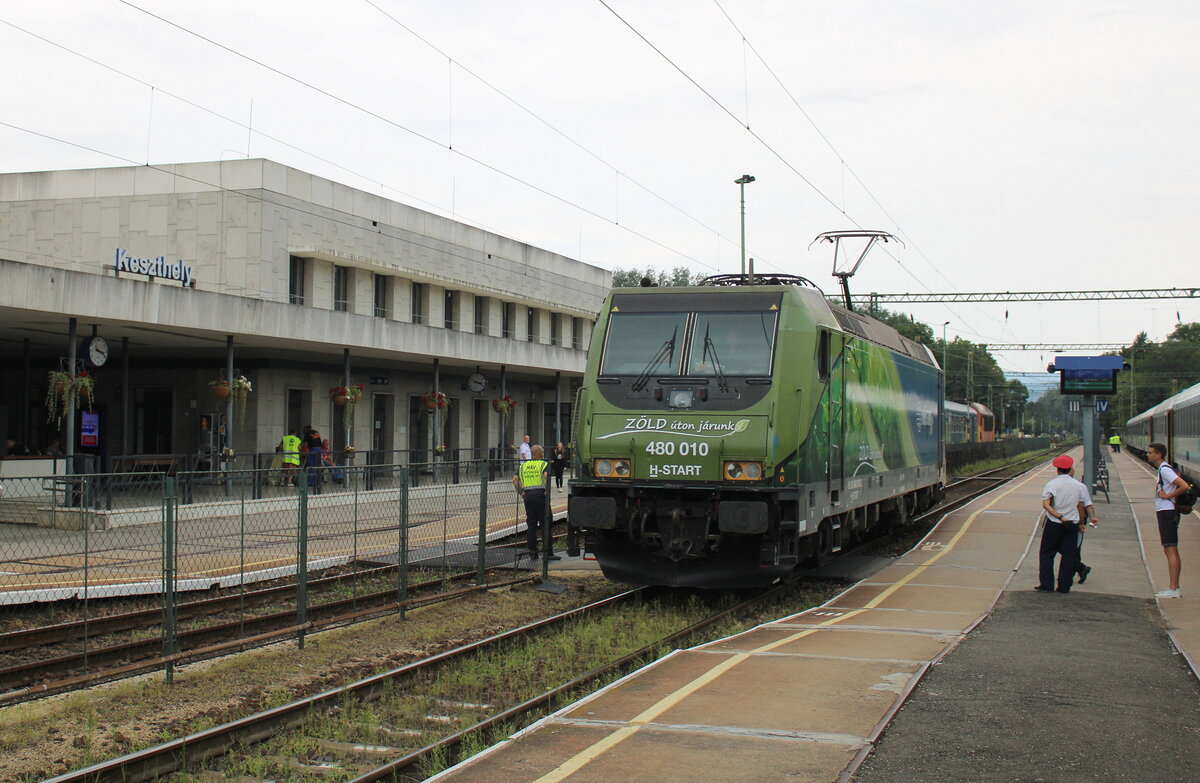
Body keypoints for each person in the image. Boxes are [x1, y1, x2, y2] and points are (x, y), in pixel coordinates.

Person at [1037, 454, 1087, 593]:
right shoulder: (1079, 486)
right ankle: (1064, 586)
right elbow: (1080, 507)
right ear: (1070, 469)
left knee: (1047, 553)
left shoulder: (1052, 484)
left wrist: (1059, 516)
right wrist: (1081, 523)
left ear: (1057, 470)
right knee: (1068, 554)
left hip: (1054, 523)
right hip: (1072, 523)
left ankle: (1047, 585)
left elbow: (1046, 505)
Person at [1148, 442, 1188, 598]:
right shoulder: (1163, 469)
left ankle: (1173, 589)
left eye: (1150, 452)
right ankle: (1174, 587)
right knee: (1170, 549)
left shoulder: (1164, 470)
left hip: (1168, 511)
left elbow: (1184, 486)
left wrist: (1167, 496)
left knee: (1171, 549)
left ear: (1158, 455)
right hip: (1166, 511)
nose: (1148, 455)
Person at [514, 444, 556, 558]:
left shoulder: (523, 466)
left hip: (528, 497)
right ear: (540, 453)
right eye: (542, 451)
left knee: (531, 525)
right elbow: (546, 476)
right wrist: (546, 489)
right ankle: (548, 553)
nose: (543, 453)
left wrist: (521, 492)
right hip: (540, 496)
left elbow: (515, 480)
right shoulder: (543, 464)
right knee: (545, 523)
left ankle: (533, 552)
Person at [1068, 466, 1099, 584]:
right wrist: (1092, 517)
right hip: (1077, 520)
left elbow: (1086, 504)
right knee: (1075, 548)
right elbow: (1088, 504)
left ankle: (1079, 568)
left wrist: (1091, 518)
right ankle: (1078, 570)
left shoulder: (1078, 486)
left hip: (1074, 521)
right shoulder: (1081, 486)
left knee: (1069, 548)